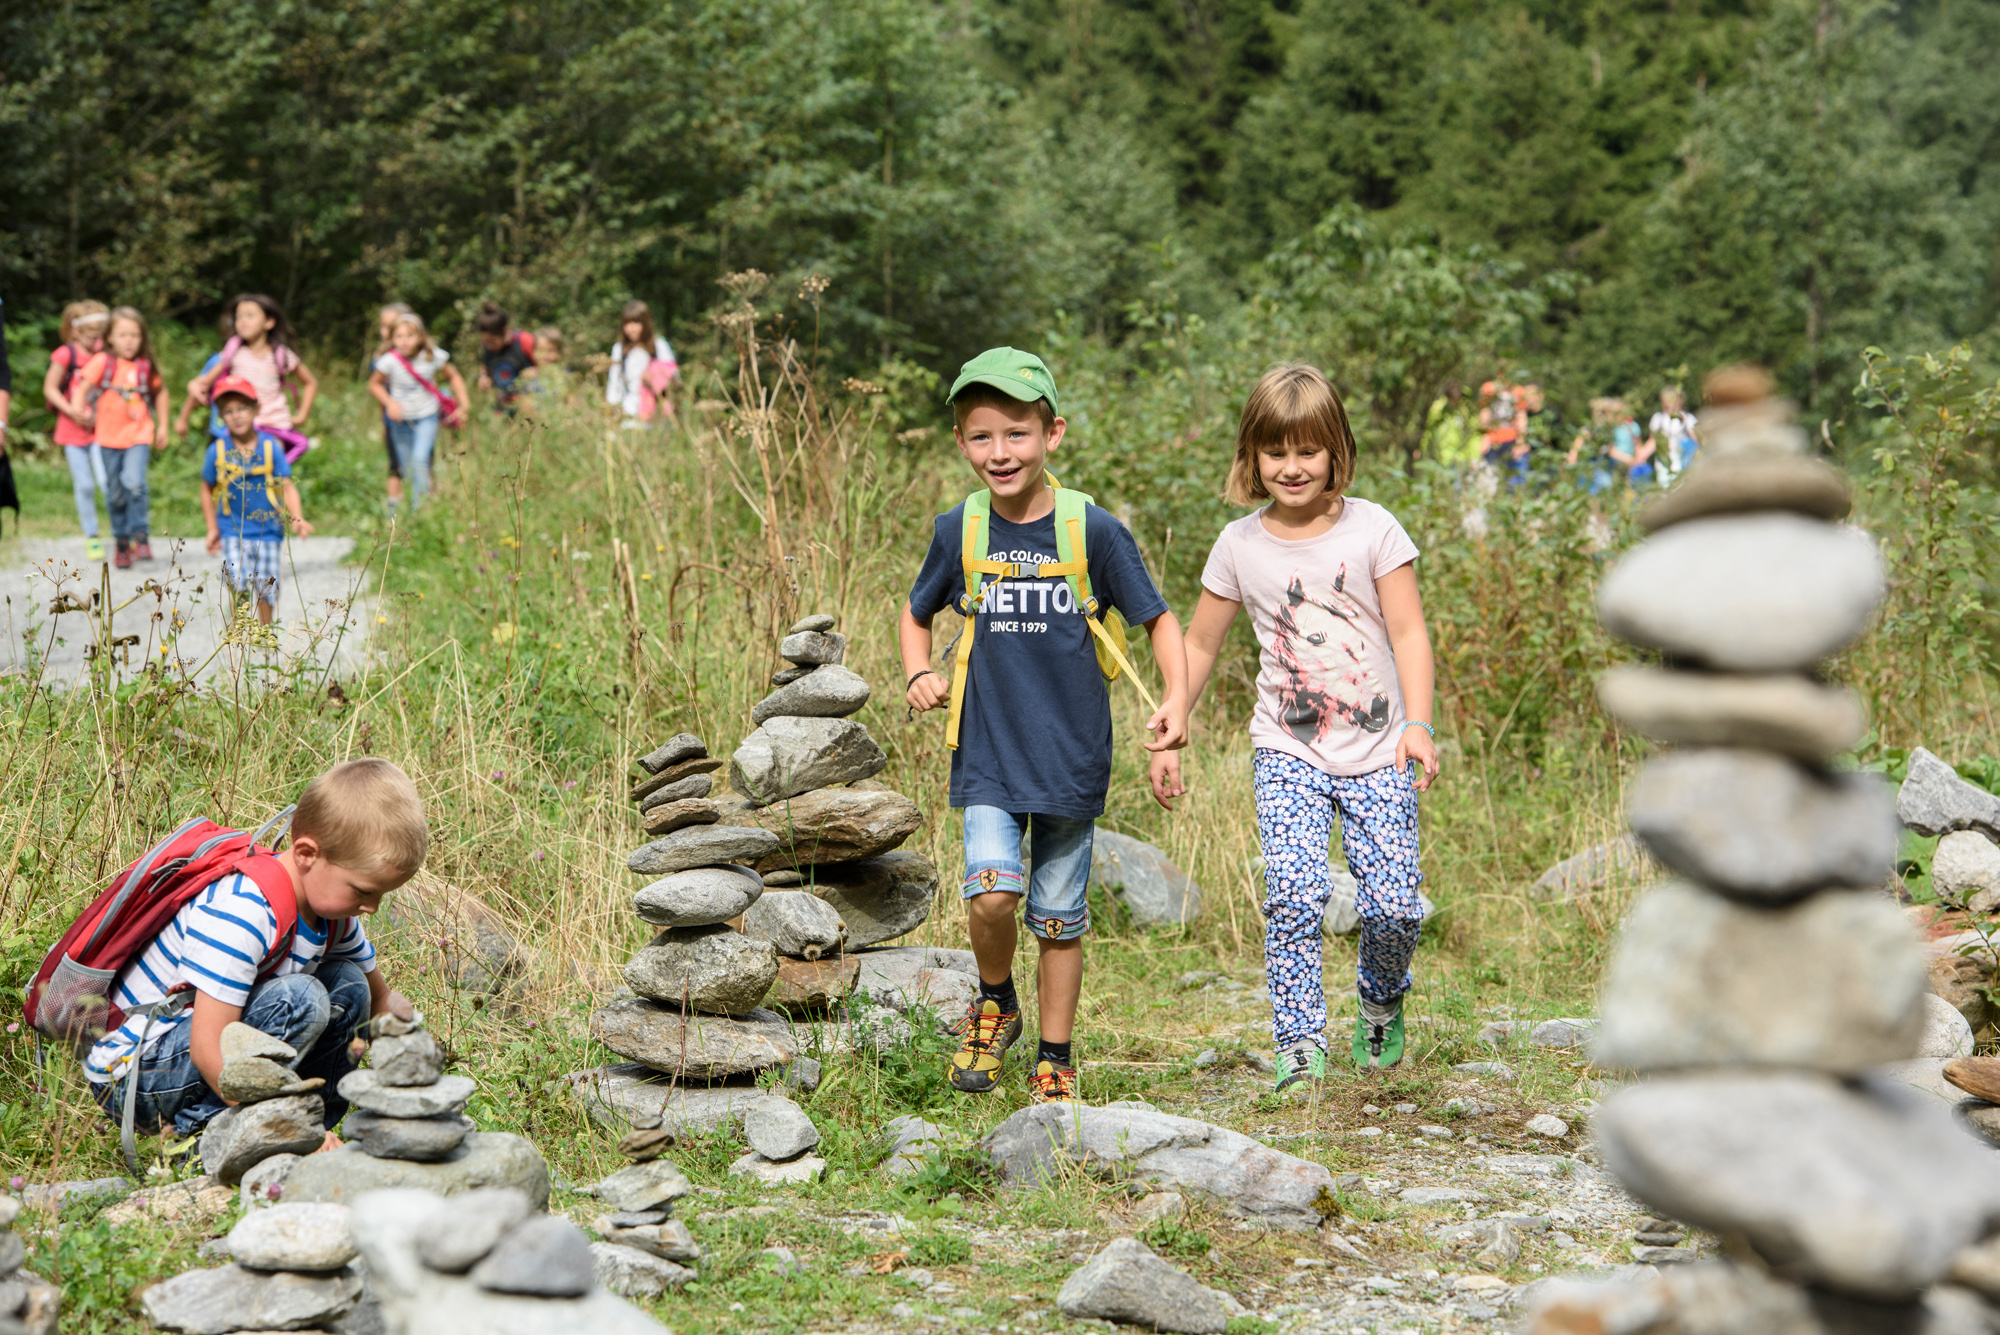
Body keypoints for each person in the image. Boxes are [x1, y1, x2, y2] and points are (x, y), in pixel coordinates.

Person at [900, 347, 1188, 1104]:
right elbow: (915, 610)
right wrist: (917, 670)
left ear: (1052, 433)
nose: (1001, 452)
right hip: (989, 751)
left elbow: (1158, 619)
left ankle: (1055, 1055)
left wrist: (1176, 700)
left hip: (1069, 756)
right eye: (982, 436)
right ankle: (997, 1000)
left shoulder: (1090, 529)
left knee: (1058, 919)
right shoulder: (958, 529)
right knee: (992, 893)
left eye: (1018, 434)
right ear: (962, 442)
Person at [1160, 363, 1439, 1088]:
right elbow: (1198, 642)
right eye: (1275, 452)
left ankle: (1379, 1001)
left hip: (1381, 749)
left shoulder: (1375, 530)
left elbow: (1408, 633)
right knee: (1291, 889)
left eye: (1307, 451)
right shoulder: (1238, 545)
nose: (1291, 467)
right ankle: (1298, 1042)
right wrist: (1174, 712)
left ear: (1336, 451)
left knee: (1395, 908)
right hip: (1288, 749)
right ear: (1251, 456)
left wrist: (1419, 724)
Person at [84, 759, 428, 1142]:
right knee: (300, 999)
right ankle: (203, 1137)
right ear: (307, 854)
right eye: (363, 891)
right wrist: (283, 1127)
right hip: (139, 1075)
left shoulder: (335, 915)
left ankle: (320, 1125)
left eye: (382, 894)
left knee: (348, 984)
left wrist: (409, 1044)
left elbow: (378, 998)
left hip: (196, 1056)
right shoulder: (244, 912)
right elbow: (207, 1047)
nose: (373, 907)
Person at [202, 376, 314, 625]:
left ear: (256, 409)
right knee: (238, 585)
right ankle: (239, 639)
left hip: (269, 531)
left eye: (242, 408)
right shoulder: (217, 450)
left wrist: (297, 517)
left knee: (267, 588)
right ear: (221, 416)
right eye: (229, 411)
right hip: (233, 532)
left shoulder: (270, 447)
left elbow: (286, 484)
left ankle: (264, 636)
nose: (237, 416)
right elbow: (206, 488)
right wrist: (212, 528)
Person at [69, 307, 170, 568]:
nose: (129, 340)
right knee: (115, 493)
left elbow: (161, 394)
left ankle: (141, 534)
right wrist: (79, 407)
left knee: (135, 483)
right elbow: (83, 387)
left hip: (139, 435)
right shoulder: (103, 361)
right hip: (107, 438)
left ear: (143, 337)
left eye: (135, 335)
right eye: (123, 334)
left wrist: (163, 427)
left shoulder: (145, 365)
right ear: (110, 337)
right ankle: (122, 541)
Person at [183, 294, 319, 462]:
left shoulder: (281, 354)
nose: (242, 321)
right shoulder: (233, 353)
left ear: (269, 322)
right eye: (238, 317)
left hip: (273, 425)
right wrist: (193, 387)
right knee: (237, 475)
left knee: (270, 472)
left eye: (250, 315)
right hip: (241, 425)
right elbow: (203, 382)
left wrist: (302, 415)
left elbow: (310, 382)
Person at [367, 311, 467, 514]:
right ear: (392, 339)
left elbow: (453, 376)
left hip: (427, 417)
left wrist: (464, 404)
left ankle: (419, 512)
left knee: (421, 459)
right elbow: (374, 384)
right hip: (400, 421)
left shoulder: (432, 356)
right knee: (407, 469)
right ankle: (411, 512)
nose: (404, 341)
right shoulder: (389, 361)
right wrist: (389, 402)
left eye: (409, 336)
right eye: (399, 337)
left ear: (421, 336)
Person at [44, 301, 111, 560]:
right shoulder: (65, 355)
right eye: (93, 337)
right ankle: (92, 536)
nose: (98, 342)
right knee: (84, 485)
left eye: (101, 336)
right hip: (71, 432)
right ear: (76, 332)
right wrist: (70, 409)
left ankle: (121, 533)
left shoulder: (104, 356)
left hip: (99, 431)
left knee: (106, 483)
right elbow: (49, 388)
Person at [605, 300, 677, 425]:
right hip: (630, 415)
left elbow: (674, 379)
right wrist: (612, 411)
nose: (631, 329)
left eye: (636, 322)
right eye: (627, 323)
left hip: (657, 415)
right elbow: (614, 383)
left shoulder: (659, 346)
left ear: (646, 323)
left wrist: (654, 380)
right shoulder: (619, 349)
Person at [374, 303, 414, 515]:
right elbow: (380, 393)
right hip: (393, 422)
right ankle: (393, 517)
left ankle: (420, 509)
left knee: (420, 465)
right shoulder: (381, 358)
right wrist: (384, 423)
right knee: (395, 466)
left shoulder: (418, 355)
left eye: (392, 325)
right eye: (383, 326)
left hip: (417, 420)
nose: (386, 331)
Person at [472, 301, 536, 415]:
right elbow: (486, 368)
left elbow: (547, 365)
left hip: (529, 404)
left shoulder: (524, 340)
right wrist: (483, 378)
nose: (488, 345)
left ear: (505, 331)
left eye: (492, 341)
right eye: (485, 341)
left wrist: (536, 371)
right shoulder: (487, 347)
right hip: (502, 405)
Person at [1647, 387, 1698, 483]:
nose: (1668, 404)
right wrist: (1639, 458)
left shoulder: (1687, 418)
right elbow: (1653, 441)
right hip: (1664, 463)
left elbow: (1696, 440)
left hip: (1683, 461)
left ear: (1679, 401)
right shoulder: (1657, 418)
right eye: (1665, 402)